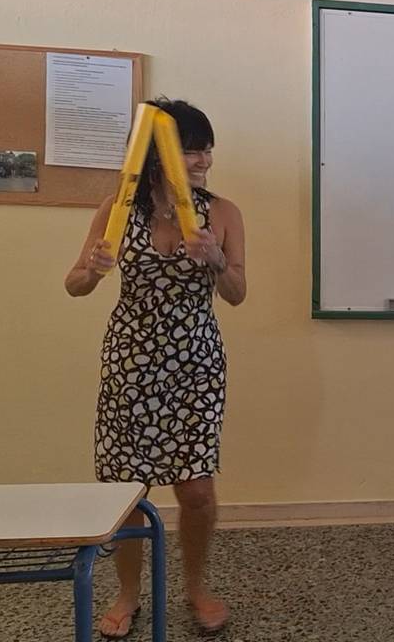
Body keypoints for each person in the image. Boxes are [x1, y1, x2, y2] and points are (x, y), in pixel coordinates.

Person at [64, 98, 246, 637]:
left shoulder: (223, 213)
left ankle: (195, 587)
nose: (204, 160)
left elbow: (237, 292)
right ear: (158, 154)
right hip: (130, 362)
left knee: (197, 489)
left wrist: (215, 259)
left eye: (208, 149)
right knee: (126, 488)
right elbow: (75, 284)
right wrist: (93, 269)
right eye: (192, 150)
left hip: (197, 364)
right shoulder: (117, 209)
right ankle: (127, 593)